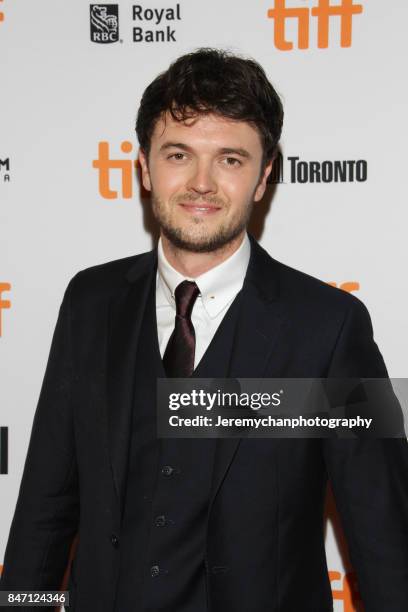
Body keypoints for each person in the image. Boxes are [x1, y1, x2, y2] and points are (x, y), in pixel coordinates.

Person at [1, 48, 407, 612]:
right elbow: (44, 514)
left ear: (264, 177)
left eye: (231, 160)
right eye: (178, 154)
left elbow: (385, 536)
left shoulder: (331, 326)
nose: (201, 183)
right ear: (143, 166)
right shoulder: (89, 304)